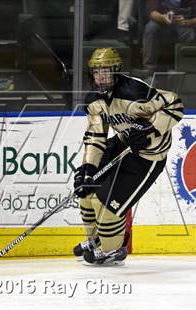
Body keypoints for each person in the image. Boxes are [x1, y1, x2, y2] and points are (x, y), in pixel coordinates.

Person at [73, 47, 184, 265]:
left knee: (107, 207)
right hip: (125, 142)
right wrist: (89, 168)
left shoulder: (133, 92)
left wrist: (150, 130)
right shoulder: (94, 100)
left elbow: (174, 104)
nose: (101, 76)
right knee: (86, 191)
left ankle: (112, 250)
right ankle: (96, 240)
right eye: (96, 71)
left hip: (149, 155)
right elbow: (96, 136)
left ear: (116, 71)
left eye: (106, 70)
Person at [143, 0, 196, 73]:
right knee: (151, 28)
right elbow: (152, 13)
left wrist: (186, 22)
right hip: (163, 27)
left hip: (186, 28)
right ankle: (149, 73)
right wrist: (163, 17)